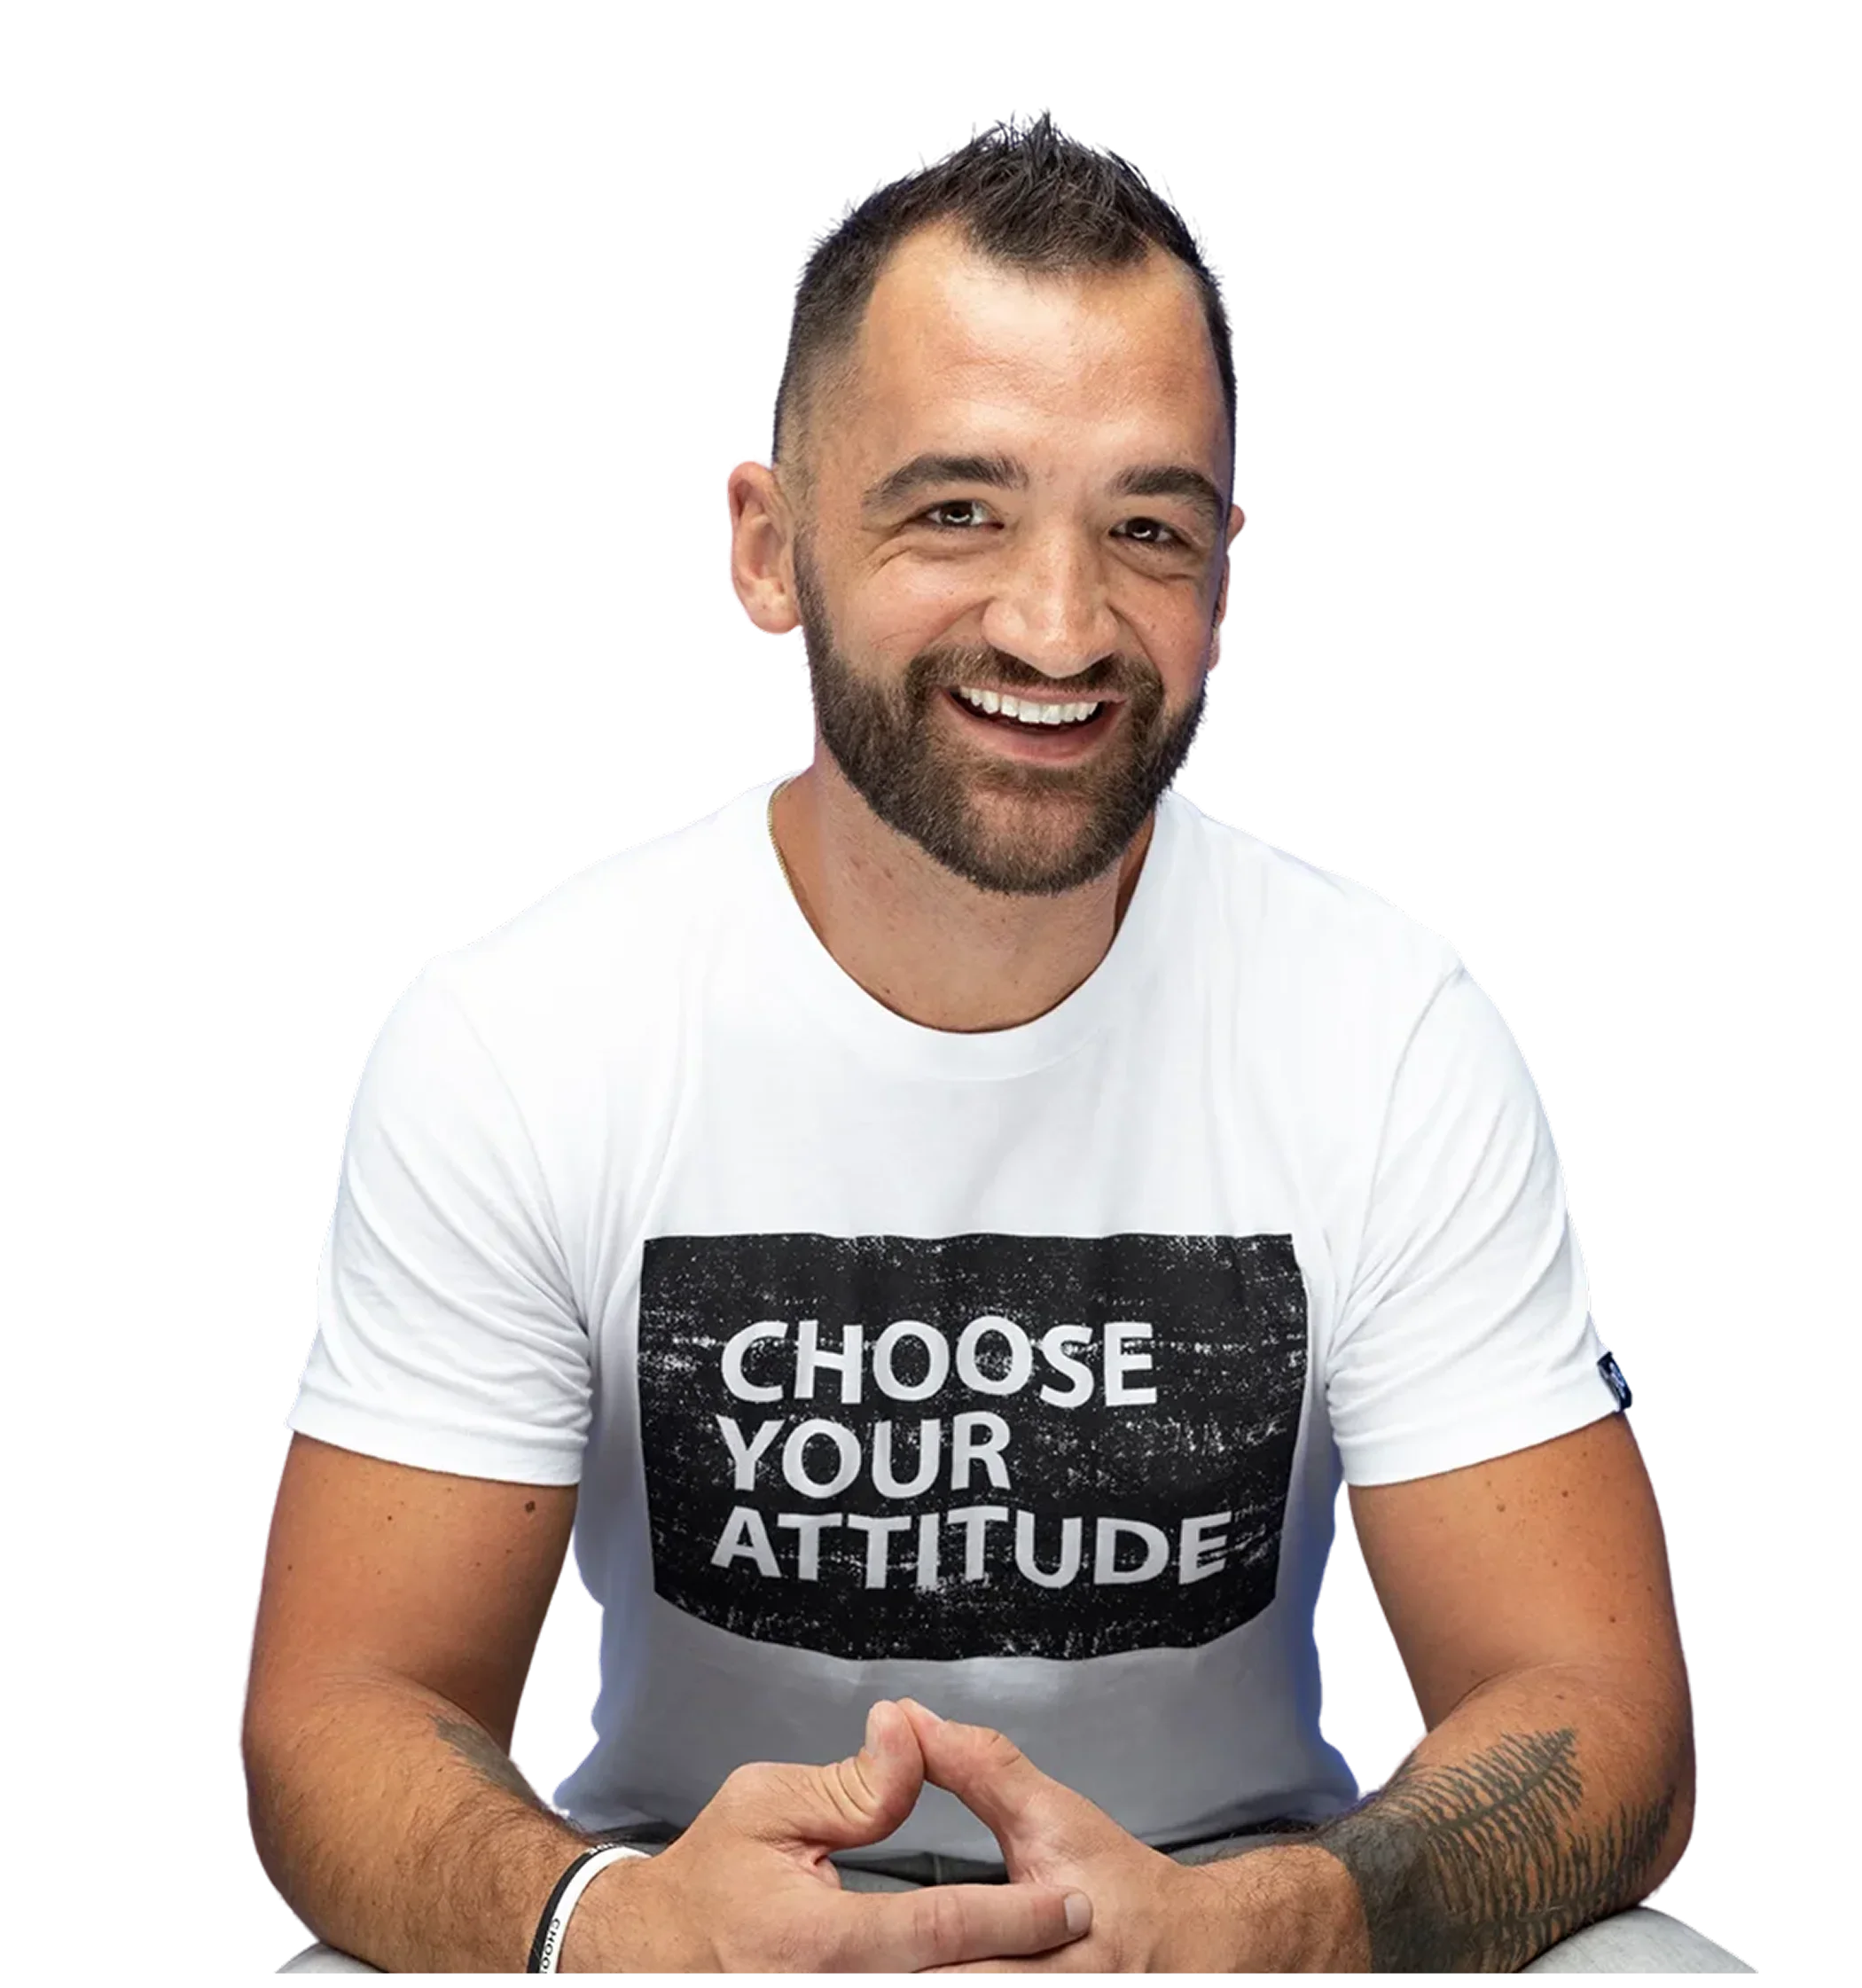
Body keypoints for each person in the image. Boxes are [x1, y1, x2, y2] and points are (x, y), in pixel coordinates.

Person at [247, 112, 1757, 1977]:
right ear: (767, 544)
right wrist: (609, 1923)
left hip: (1230, 1915)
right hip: (688, 1922)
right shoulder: (518, 1032)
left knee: (1663, 1969)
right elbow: (340, 1713)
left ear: (1224, 585)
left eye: (1146, 529)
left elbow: (1599, 1706)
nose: (1059, 623)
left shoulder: (1389, 1022)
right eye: (956, 509)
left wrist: (1272, 1923)